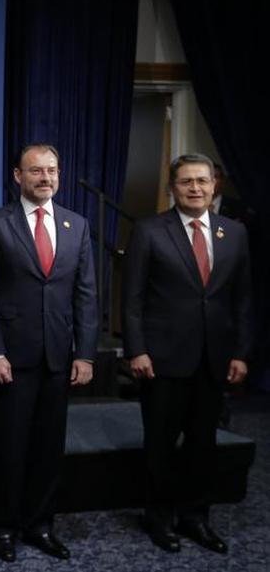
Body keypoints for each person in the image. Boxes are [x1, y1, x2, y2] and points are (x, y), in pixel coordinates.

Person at [0, 143, 98, 562]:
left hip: (59, 358)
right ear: (17, 176)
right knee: (10, 447)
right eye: (36, 171)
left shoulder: (76, 225)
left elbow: (85, 294)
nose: (45, 178)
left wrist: (86, 353)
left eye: (52, 171)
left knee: (48, 448)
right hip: (11, 358)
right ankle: (4, 527)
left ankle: (40, 524)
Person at [122, 153, 252, 555]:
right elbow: (132, 300)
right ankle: (159, 518)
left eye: (202, 181)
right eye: (186, 182)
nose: (195, 188)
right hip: (161, 360)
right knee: (160, 445)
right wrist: (137, 350)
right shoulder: (149, 231)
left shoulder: (235, 233)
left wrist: (242, 352)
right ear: (172, 188)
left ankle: (195, 517)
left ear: (215, 186)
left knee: (203, 445)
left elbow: (243, 299)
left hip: (214, 359)